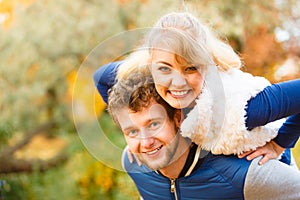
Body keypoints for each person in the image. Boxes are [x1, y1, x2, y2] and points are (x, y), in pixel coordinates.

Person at [94, 12, 300, 165]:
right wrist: (138, 132)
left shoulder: (241, 107)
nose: (178, 82)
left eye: (191, 68)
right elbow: (101, 77)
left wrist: (281, 144)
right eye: (165, 68)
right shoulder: (149, 75)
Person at [106, 66, 300, 199]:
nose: (145, 141)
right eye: (132, 131)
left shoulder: (249, 176)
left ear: (178, 119)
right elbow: (101, 75)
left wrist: (280, 143)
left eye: (154, 124)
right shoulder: (132, 162)